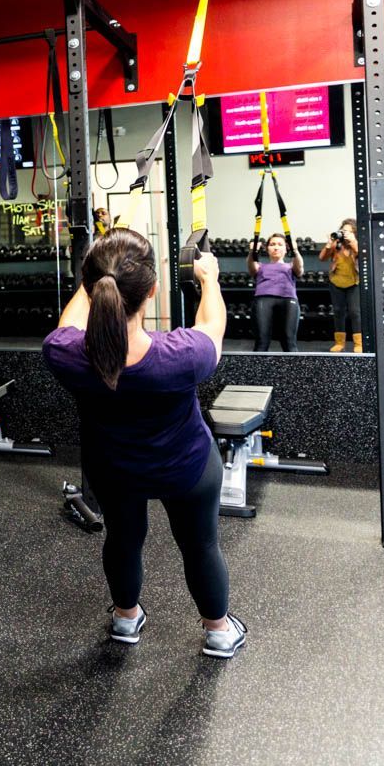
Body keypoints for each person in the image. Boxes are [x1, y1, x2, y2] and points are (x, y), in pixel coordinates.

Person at [42, 228, 246, 658]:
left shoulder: (64, 354)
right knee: (201, 545)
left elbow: (70, 323)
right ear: (153, 290)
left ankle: (125, 618)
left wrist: (95, 273)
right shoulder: (182, 355)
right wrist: (209, 278)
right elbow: (213, 325)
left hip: (114, 470)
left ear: (93, 287)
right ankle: (219, 632)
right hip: (186, 468)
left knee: (122, 539)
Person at [247, 232, 303, 352]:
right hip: (263, 299)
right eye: (272, 244)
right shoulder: (260, 266)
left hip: (288, 299)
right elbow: (251, 268)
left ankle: (295, 370)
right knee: (262, 341)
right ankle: (256, 370)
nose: (276, 247)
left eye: (280, 244)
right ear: (267, 249)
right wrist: (252, 252)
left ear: (286, 249)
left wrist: (296, 250)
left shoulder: (291, 265)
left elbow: (299, 270)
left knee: (289, 342)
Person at [319, 218, 362, 353]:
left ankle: (358, 343)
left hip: (354, 283)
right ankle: (339, 343)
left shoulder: (358, 244)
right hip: (336, 282)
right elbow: (322, 258)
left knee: (355, 313)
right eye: (344, 231)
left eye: (349, 231)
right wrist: (328, 244)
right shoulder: (336, 245)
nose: (345, 234)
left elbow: (363, 255)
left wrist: (353, 241)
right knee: (338, 312)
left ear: (355, 233)